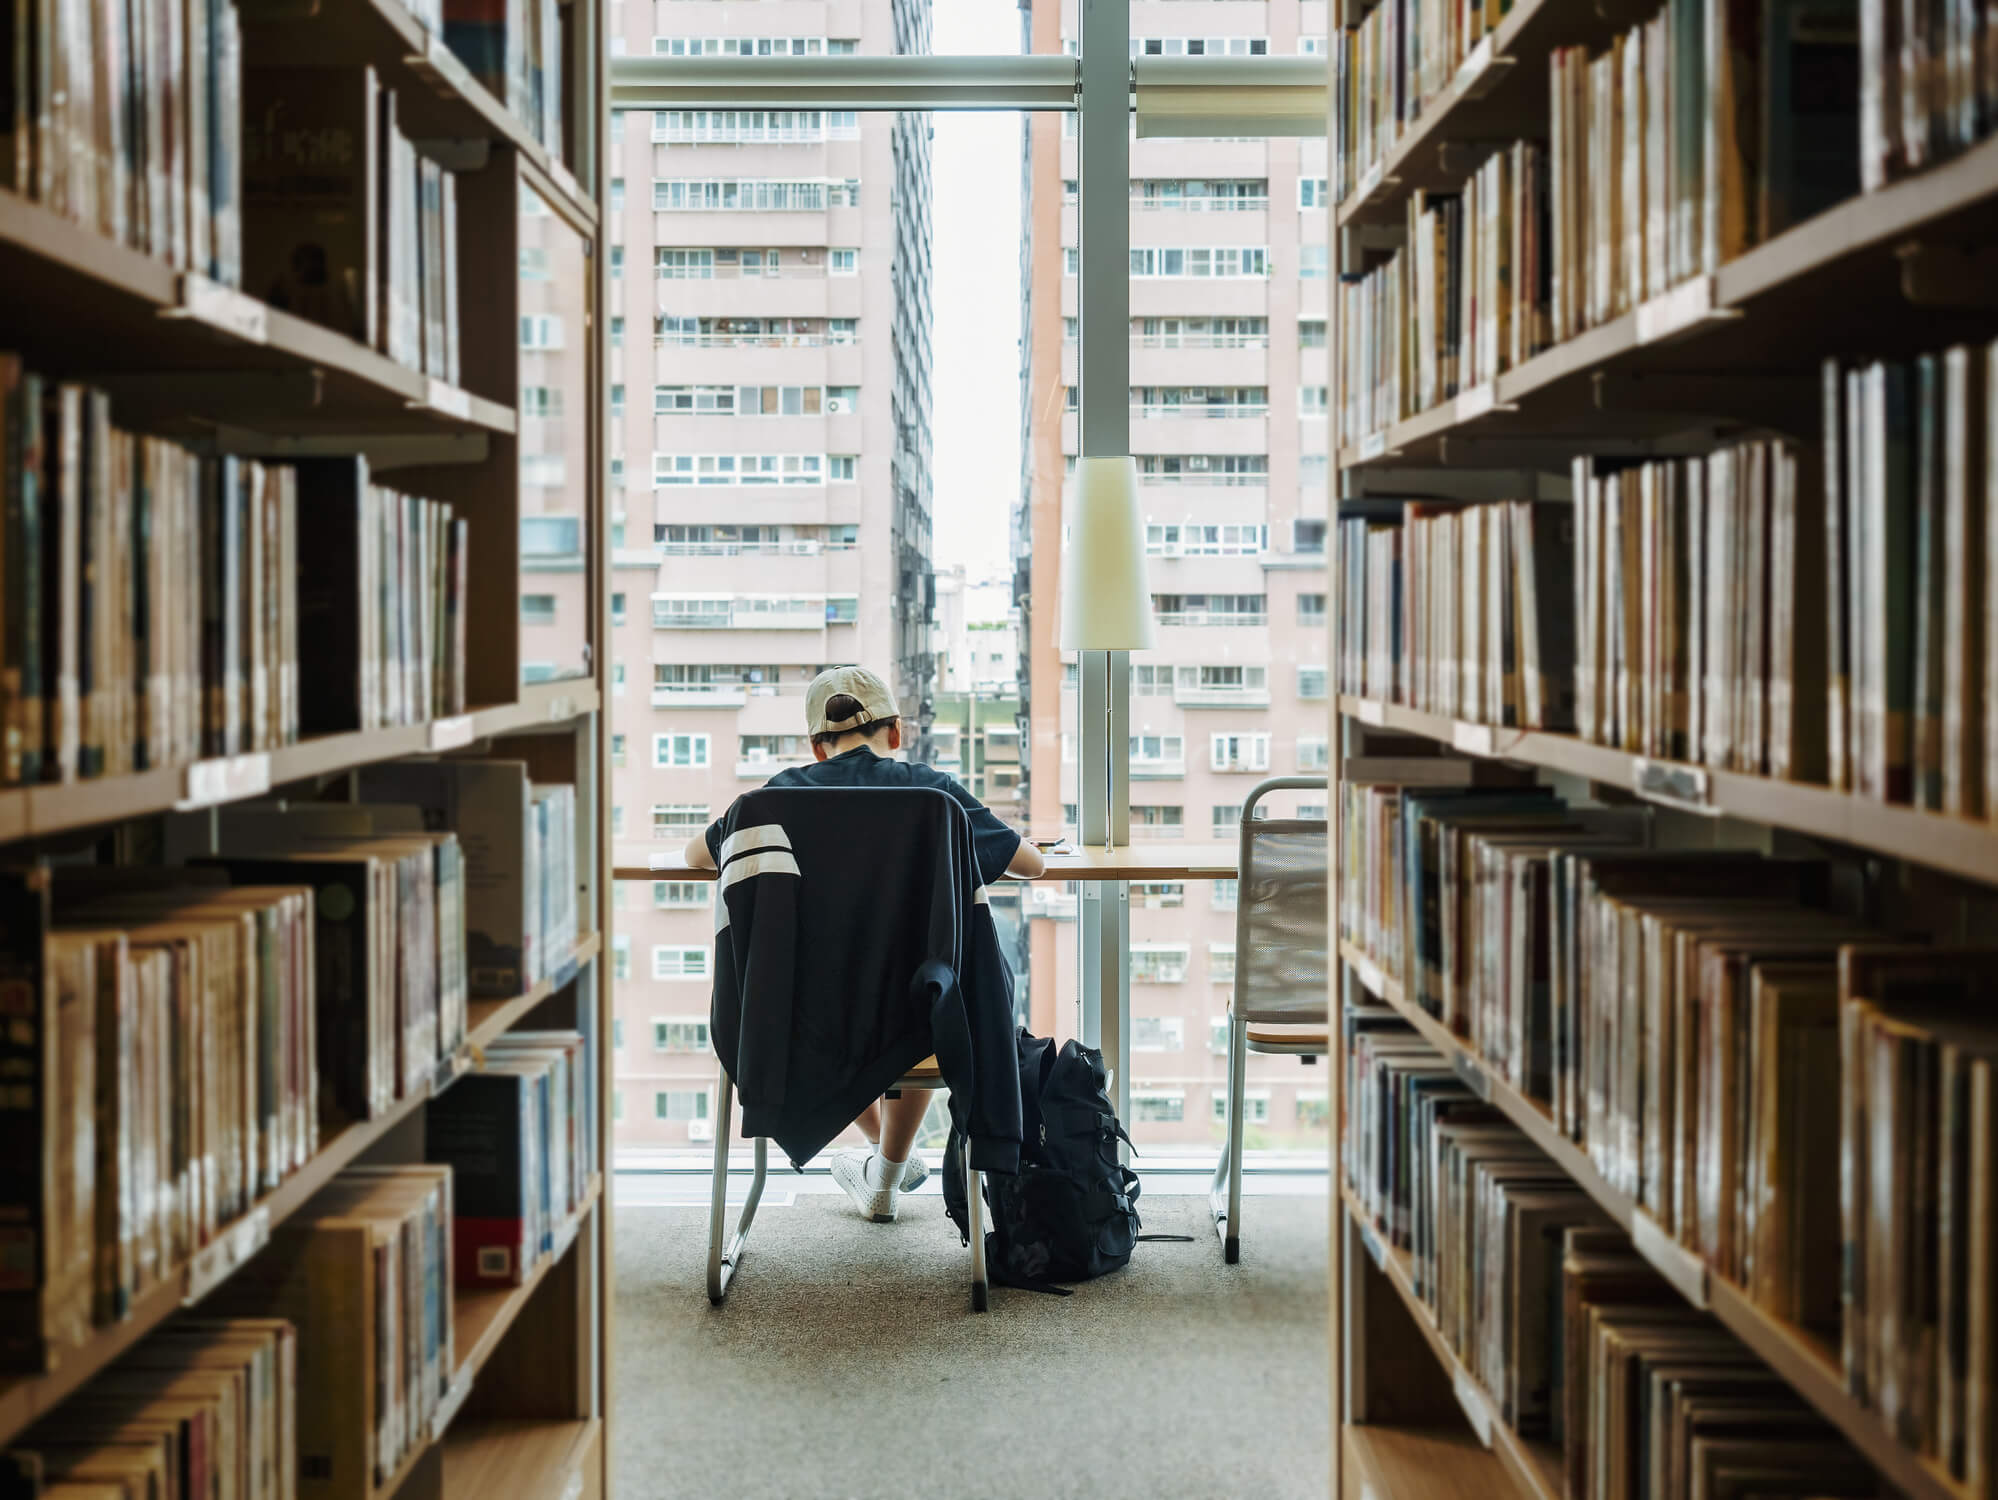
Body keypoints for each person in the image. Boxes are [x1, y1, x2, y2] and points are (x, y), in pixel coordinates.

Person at [686, 664, 1043, 1222]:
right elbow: (1032, 864)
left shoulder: (772, 800)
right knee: (926, 974)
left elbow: (697, 855)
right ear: (895, 732)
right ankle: (888, 1172)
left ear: (817, 746)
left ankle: (883, 1169)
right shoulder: (935, 795)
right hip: (921, 1012)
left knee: (854, 986)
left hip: (793, 1018)